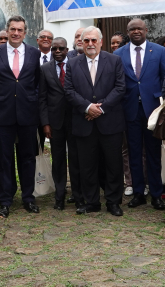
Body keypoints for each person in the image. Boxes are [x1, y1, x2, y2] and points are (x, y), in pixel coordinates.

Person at [0, 16, 46, 218]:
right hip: (2, 115)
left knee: (27, 158)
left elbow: (37, 84)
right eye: (13, 29)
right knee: (4, 159)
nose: (16, 33)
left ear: (25, 32)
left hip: (28, 115)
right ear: (7, 30)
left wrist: (33, 105)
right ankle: (5, 200)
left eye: (20, 30)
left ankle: (28, 198)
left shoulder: (34, 54)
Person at [64, 27, 126, 216]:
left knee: (113, 165)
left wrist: (100, 108)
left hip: (110, 123)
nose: (90, 44)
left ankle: (113, 202)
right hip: (84, 123)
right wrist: (87, 107)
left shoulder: (114, 60)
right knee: (87, 165)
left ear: (101, 41)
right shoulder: (73, 64)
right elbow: (69, 90)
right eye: (86, 41)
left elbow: (120, 87)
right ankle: (91, 202)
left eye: (94, 40)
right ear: (81, 43)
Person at [117, 18, 165, 210]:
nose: (136, 31)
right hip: (129, 109)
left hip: (152, 111)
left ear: (146, 30)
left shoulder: (158, 50)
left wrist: (162, 101)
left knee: (153, 153)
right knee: (134, 153)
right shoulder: (118, 53)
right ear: (128, 32)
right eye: (132, 29)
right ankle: (138, 192)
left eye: (139, 28)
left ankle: (156, 194)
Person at [40, 38, 77, 210]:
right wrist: (45, 123)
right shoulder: (44, 69)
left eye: (61, 48)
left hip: (76, 119)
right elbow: (42, 98)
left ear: (67, 49)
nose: (57, 52)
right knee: (59, 159)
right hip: (55, 122)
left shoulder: (76, 64)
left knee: (76, 158)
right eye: (54, 49)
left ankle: (78, 194)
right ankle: (59, 195)